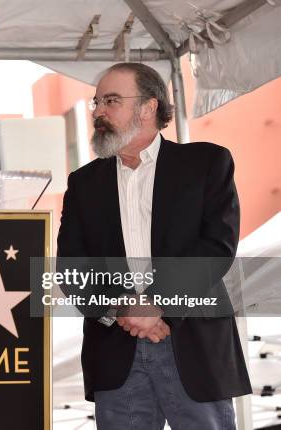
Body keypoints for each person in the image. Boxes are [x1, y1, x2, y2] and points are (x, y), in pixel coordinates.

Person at [57, 62, 251, 429]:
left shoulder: (206, 163)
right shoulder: (83, 184)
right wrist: (123, 308)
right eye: (96, 102)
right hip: (115, 353)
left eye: (111, 100)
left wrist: (158, 304)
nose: (98, 111)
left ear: (148, 107)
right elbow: (72, 266)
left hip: (193, 346)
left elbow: (216, 247)